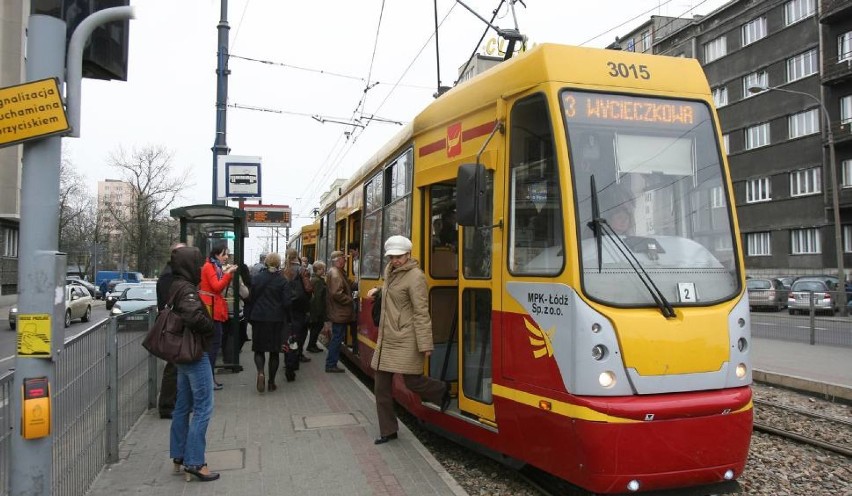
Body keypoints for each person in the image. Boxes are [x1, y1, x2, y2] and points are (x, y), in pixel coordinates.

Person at [366, 235, 450, 444]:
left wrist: (425, 344)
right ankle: (388, 430)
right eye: (392, 256)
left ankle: (442, 390)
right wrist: (379, 290)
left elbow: (421, 312)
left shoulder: (416, 276)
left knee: (413, 381)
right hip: (388, 338)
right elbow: (394, 291)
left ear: (408, 254)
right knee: (381, 387)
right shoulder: (391, 272)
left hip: (406, 337)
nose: (395, 260)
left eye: (399, 256)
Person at [166, 246, 220, 482]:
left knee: (182, 406)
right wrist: (210, 328)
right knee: (203, 408)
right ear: (190, 265)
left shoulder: (175, 284)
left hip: (182, 355)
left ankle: (179, 455)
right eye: (197, 264)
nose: (199, 268)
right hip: (194, 354)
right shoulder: (187, 289)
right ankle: (195, 462)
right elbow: (193, 317)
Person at [249, 252, 293, 390]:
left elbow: (251, 298)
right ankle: (271, 382)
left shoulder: (257, 278)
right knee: (274, 352)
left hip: (259, 318)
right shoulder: (282, 281)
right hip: (276, 320)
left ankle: (261, 372)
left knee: (259, 349)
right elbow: (287, 302)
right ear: (279, 264)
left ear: (266, 263)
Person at [199, 243, 236, 390]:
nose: (226, 257)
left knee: (214, 345)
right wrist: (228, 275)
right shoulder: (209, 267)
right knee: (213, 345)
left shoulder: (213, 266)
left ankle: (210, 379)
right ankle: (209, 380)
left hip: (213, 308)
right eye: (224, 254)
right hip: (211, 310)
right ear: (216, 255)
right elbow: (217, 286)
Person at [155, 242, 185, 419]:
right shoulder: (169, 276)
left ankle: (173, 403)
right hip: (172, 326)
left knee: (176, 366)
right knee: (172, 367)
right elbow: (171, 303)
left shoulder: (172, 273)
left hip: (174, 325)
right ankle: (166, 406)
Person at [325, 250, 353, 373]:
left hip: (338, 311)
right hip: (339, 312)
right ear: (338, 260)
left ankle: (331, 363)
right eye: (343, 258)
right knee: (337, 338)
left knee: (337, 337)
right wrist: (350, 300)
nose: (345, 260)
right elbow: (337, 293)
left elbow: (346, 284)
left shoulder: (336, 272)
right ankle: (331, 364)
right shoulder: (336, 274)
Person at [283, 248, 312, 365]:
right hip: (300, 305)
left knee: (289, 330)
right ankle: (298, 353)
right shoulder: (302, 270)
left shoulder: (283, 271)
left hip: (287, 304)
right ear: (297, 257)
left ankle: (288, 354)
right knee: (301, 330)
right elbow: (308, 288)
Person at [305, 260, 327, 353]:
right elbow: (317, 298)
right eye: (322, 269)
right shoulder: (317, 281)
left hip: (314, 309)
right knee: (317, 327)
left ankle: (312, 345)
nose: (324, 271)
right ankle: (311, 345)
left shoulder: (315, 279)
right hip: (317, 310)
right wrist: (319, 312)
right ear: (318, 269)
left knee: (316, 327)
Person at [348, 242, 361, 354]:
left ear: (357, 249)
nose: (351, 254)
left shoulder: (362, 260)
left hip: (359, 291)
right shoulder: (355, 260)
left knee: (355, 320)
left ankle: (356, 346)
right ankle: (354, 345)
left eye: (352, 251)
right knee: (353, 320)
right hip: (356, 292)